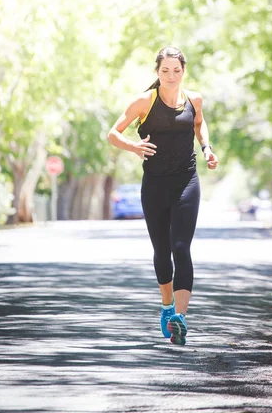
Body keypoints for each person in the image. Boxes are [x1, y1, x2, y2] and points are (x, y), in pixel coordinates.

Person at [107, 46, 218, 345]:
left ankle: (181, 318)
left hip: (186, 182)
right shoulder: (145, 101)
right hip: (154, 185)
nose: (171, 75)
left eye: (176, 70)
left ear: (184, 71)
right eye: (165, 70)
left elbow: (198, 123)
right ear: (157, 72)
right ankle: (167, 307)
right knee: (162, 250)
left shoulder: (194, 99)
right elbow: (113, 133)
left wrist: (206, 148)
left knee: (181, 248)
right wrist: (134, 147)